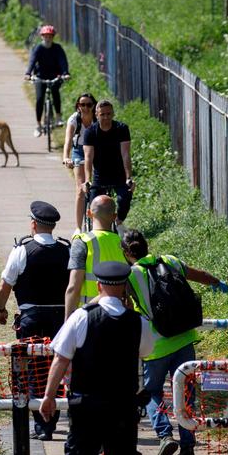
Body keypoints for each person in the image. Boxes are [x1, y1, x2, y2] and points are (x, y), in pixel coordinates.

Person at [121, 229, 228, 455]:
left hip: (156, 345)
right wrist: (217, 282)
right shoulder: (169, 260)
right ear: (147, 245)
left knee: (152, 392)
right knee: (187, 391)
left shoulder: (130, 275)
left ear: (125, 252)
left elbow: (127, 309)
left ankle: (165, 435)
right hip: (184, 339)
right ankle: (188, 445)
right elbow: (198, 275)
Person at [39, 261, 155, 455]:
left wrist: (49, 396)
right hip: (123, 406)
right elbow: (146, 351)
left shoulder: (81, 317)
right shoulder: (138, 322)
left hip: (86, 407)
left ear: (99, 286)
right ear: (125, 286)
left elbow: (61, 359)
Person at [0, 200, 70, 441]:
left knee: (32, 370)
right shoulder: (66, 250)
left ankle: (42, 424)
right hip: (60, 318)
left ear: (33, 224)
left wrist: (1, 309)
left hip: (32, 319)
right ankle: (50, 419)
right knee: (55, 367)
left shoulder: (22, 251)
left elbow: (5, 285)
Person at [64, 195, 127, 319]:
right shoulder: (123, 244)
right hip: (120, 314)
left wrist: (68, 321)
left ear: (88, 213)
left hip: (89, 315)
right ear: (114, 217)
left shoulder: (83, 241)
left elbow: (73, 287)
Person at [79, 99, 134, 234]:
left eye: (109, 114)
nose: (106, 117)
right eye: (102, 114)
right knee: (94, 205)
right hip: (99, 175)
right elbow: (88, 157)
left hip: (118, 173)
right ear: (96, 115)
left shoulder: (121, 129)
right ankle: (96, 230)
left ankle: (119, 221)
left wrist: (129, 177)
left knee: (124, 198)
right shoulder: (91, 132)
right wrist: (87, 179)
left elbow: (126, 154)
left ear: (113, 114)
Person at [24, 25, 70, 137]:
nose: (47, 39)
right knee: (39, 99)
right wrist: (28, 73)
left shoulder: (57, 48)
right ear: (42, 37)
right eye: (45, 36)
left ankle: (58, 117)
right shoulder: (38, 48)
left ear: (53, 37)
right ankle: (38, 125)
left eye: (50, 36)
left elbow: (63, 61)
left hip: (55, 76)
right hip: (40, 76)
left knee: (55, 92)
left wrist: (65, 73)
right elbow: (32, 61)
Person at [62, 93, 97, 232]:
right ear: (78, 106)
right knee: (80, 190)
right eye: (82, 105)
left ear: (93, 106)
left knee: (99, 186)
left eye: (89, 105)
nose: (86, 108)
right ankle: (78, 227)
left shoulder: (97, 119)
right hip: (79, 151)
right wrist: (66, 157)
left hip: (96, 150)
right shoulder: (74, 120)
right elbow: (68, 141)